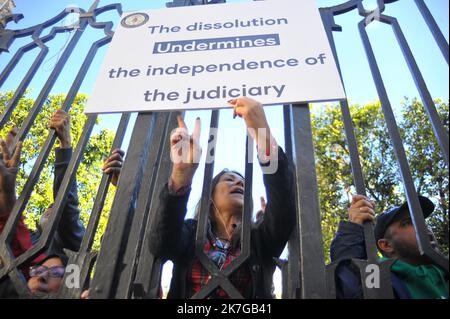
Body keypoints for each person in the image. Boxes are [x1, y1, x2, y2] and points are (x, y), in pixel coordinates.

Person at [148, 96, 296, 298]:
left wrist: (263, 135)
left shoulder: (259, 239)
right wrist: (181, 175)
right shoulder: (191, 233)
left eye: (243, 182)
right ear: (210, 197)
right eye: (229, 179)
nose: (240, 183)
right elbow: (160, 244)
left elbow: (284, 209)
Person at [330, 194, 449, 299]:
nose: (423, 226)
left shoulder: (444, 272)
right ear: (386, 245)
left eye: (421, 220)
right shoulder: (378, 278)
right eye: (407, 223)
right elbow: (350, 285)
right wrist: (354, 227)